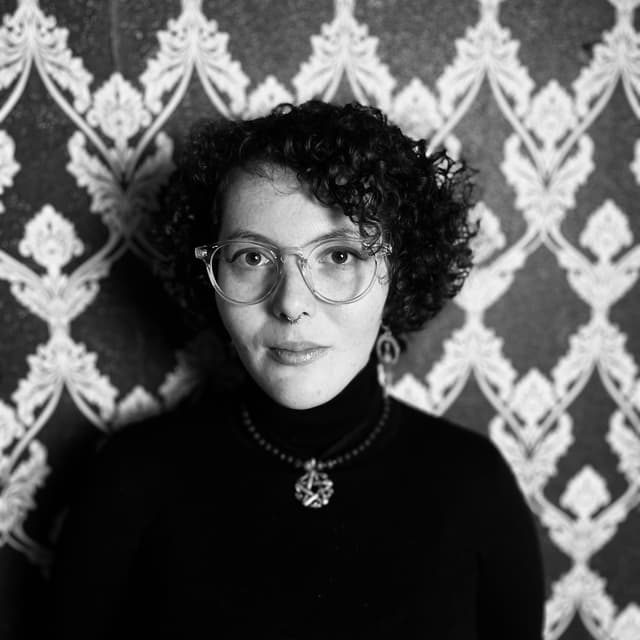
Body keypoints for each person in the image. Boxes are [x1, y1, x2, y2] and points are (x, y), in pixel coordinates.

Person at [51, 101, 545, 639]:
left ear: (398, 275)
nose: (290, 304)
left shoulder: (474, 485)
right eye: (252, 257)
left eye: (339, 256)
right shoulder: (130, 479)